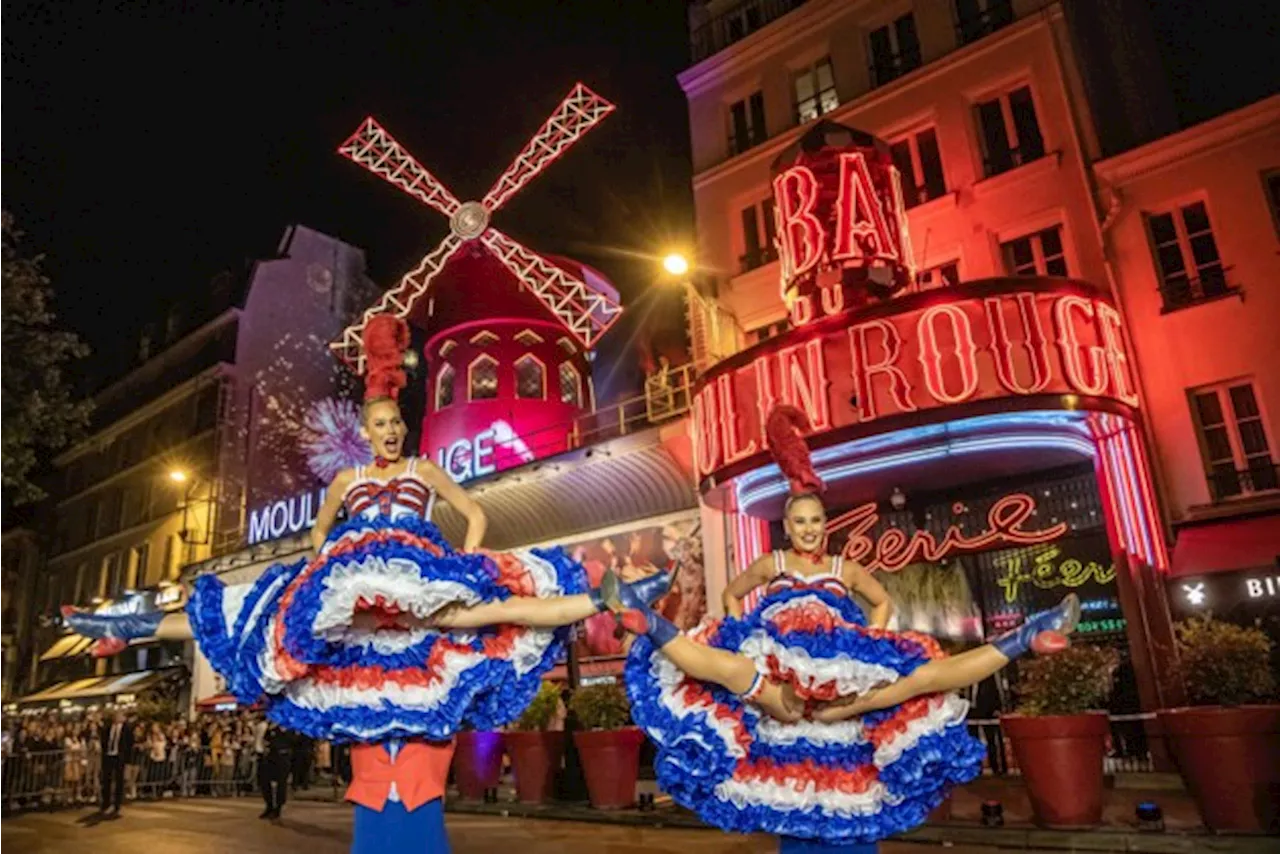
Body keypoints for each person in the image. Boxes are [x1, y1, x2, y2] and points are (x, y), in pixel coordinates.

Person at [64, 314, 672, 852]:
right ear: (365, 429)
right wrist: (320, 566)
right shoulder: (346, 481)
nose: (388, 431)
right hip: (356, 588)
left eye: (394, 423)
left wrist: (466, 557)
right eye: (378, 423)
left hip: (417, 579)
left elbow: (475, 511)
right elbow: (319, 531)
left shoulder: (422, 468)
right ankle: (129, 623)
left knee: (488, 611)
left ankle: (606, 598)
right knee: (253, 609)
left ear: (402, 427)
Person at [610, 405, 1082, 849]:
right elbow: (728, 609)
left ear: (824, 523)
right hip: (782, 678)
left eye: (815, 520)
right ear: (788, 526)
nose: (809, 528)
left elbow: (881, 602)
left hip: (840, 675)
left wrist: (872, 637)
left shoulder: (843, 567)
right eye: (799, 521)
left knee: (924, 676)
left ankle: (1028, 634)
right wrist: (741, 627)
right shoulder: (772, 568)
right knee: (726, 668)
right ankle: (647, 620)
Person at [98, 711, 133, 816]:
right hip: (108, 756)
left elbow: (129, 744)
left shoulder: (127, 729)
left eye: (120, 716)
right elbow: (104, 741)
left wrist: (126, 760)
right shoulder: (108, 728)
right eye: (116, 716)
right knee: (106, 781)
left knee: (119, 782)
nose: (117, 718)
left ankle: (117, 805)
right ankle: (106, 804)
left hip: (119, 758)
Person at [259, 720, 292, 820]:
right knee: (265, 782)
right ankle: (269, 805)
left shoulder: (288, 726)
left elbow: (294, 741)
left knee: (281, 784)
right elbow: (266, 739)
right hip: (271, 757)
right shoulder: (271, 727)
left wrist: (284, 731)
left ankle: (278, 808)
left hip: (283, 757)